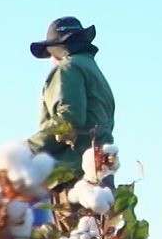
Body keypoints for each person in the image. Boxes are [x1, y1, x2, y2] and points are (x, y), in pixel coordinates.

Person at [29, 16, 116, 181]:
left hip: (73, 175)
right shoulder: (92, 70)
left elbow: (68, 120)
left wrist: (28, 149)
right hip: (98, 173)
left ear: (55, 51)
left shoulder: (69, 68)